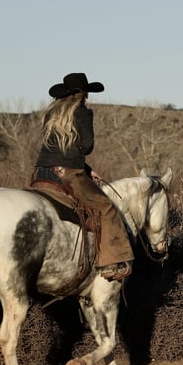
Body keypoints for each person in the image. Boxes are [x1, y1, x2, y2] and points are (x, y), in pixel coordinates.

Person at [33, 72, 133, 281]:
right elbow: (86, 146)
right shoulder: (82, 112)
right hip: (67, 173)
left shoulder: (52, 113)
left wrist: (87, 170)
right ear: (84, 93)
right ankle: (110, 265)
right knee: (106, 209)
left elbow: (59, 150)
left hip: (41, 171)